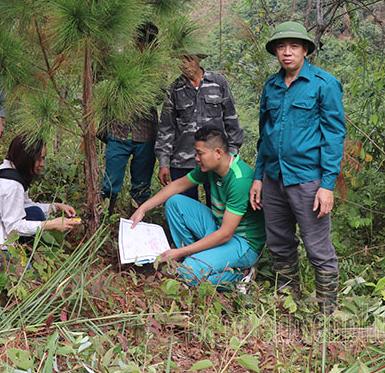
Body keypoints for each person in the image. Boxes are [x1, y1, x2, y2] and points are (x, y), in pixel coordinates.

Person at [249, 21, 345, 314]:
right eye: (281, 47)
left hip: (308, 181)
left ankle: (326, 313)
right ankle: (288, 304)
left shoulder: (324, 84)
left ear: (305, 50)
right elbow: (265, 134)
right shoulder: (272, 85)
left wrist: (327, 185)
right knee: (280, 244)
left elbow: (334, 135)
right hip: (274, 178)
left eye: (293, 46)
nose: (287, 52)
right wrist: (258, 177)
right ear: (276, 52)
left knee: (318, 249)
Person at [130, 125, 265, 288]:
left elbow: (225, 234)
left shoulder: (239, 180)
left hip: (242, 242)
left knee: (188, 275)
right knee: (175, 202)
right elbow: (177, 186)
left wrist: (179, 252)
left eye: (200, 153)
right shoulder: (211, 167)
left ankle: (241, 274)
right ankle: (192, 256)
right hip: (218, 226)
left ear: (218, 153)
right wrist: (142, 209)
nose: (196, 158)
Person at [0, 134, 78, 269]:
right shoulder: (11, 185)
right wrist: (51, 224)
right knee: (31, 278)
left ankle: (20, 250)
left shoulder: (9, 170)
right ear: (26, 157)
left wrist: (57, 207)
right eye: (39, 159)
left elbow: (25, 205)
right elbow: (15, 226)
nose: (42, 164)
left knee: (35, 213)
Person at [155, 51, 243, 202]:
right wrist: (163, 162)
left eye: (189, 59)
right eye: (181, 60)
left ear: (198, 59)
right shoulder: (175, 89)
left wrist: (232, 153)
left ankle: (216, 227)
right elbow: (166, 128)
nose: (185, 65)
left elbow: (231, 118)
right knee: (185, 207)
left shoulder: (218, 82)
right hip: (183, 161)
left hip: (215, 159)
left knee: (217, 205)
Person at [100, 22, 159, 212]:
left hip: (146, 133)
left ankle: (137, 220)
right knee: (110, 182)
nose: (143, 45)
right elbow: (105, 87)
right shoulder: (120, 61)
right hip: (119, 130)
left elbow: (159, 96)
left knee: (142, 186)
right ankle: (104, 220)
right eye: (141, 41)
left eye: (148, 42)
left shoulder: (157, 67)